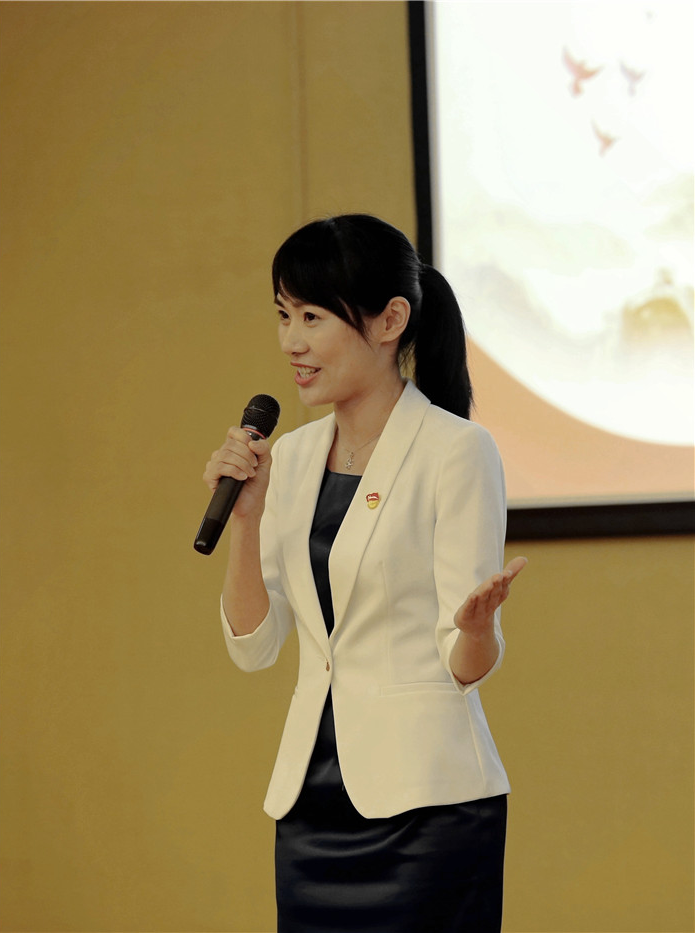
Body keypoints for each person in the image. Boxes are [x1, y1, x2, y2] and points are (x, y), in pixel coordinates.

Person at [202, 214, 527, 933]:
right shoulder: (290, 456)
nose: (291, 341)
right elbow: (255, 646)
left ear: (390, 321)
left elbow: (465, 664)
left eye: (313, 317)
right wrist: (246, 522)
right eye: (284, 315)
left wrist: (478, 628)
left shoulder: (456, 450)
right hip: (310, 807)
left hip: (427, 811)